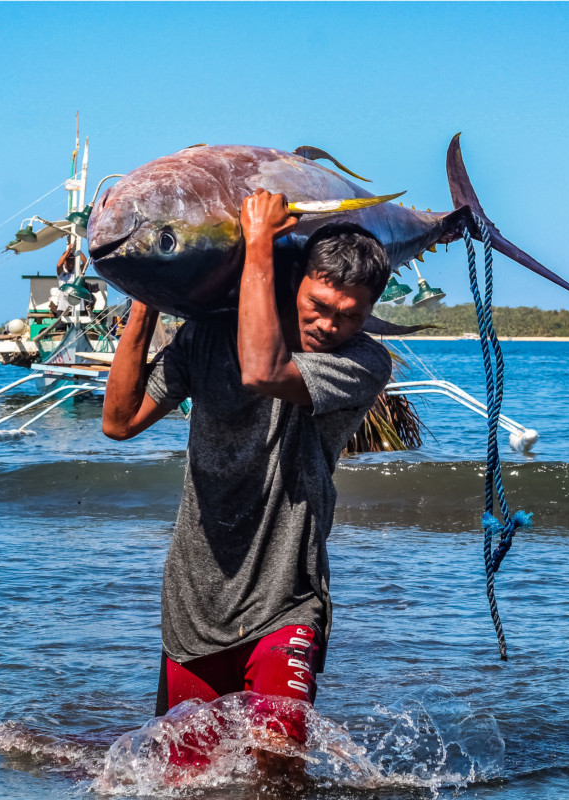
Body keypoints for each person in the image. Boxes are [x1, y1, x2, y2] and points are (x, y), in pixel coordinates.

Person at [102, 189, 392, 773]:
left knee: (278, 769)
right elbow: (119, 421)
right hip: (193, 603)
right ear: (297, 284)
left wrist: (258, 240)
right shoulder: (207, 339)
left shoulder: (361, 363)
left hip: (286, 598)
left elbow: (263, 370)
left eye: (349, 314)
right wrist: (146, 296)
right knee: (186, 779)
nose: (330, 324)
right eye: (318, 305)